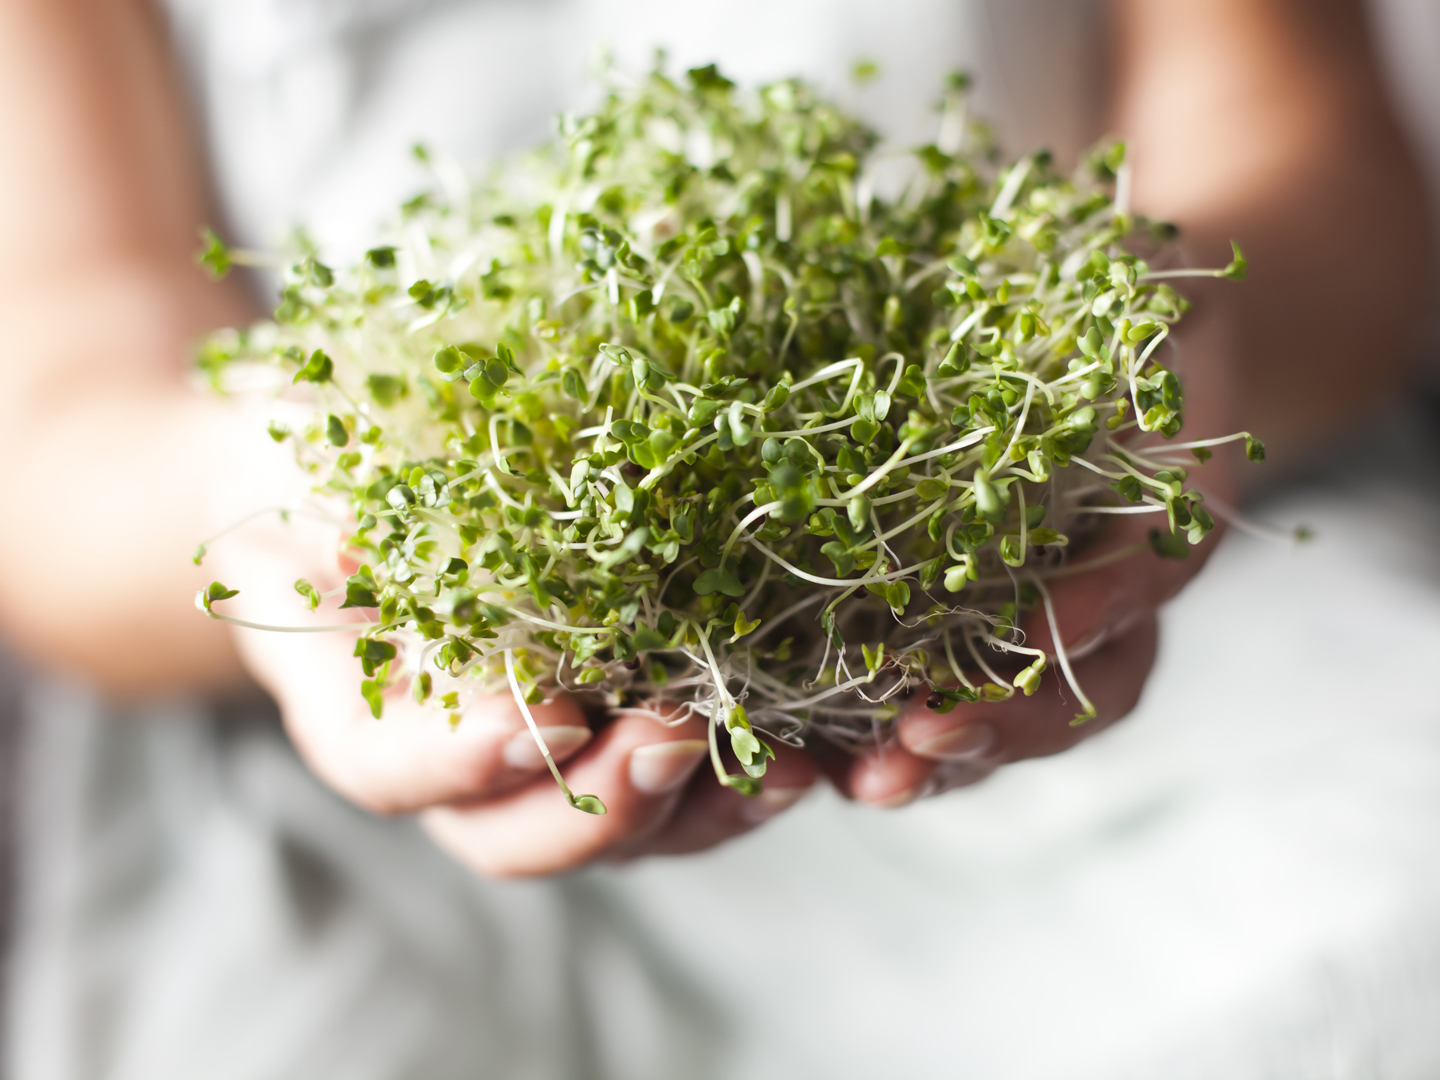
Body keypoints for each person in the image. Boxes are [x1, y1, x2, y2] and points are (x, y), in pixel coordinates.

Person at [0, 0, 1429, 1074]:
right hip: (342, 773)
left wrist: (1168, 334)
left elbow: (1336, 202)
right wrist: (256, 486)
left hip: (1162, 614)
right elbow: (57, 435)